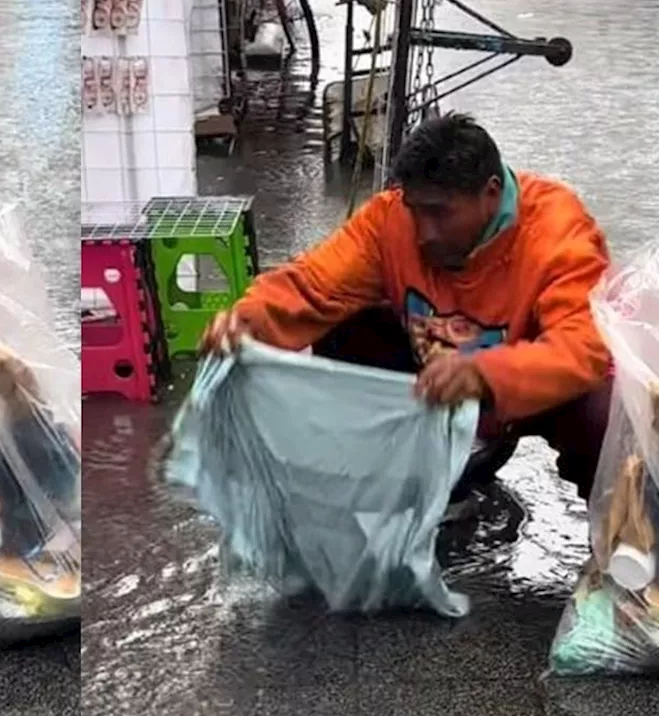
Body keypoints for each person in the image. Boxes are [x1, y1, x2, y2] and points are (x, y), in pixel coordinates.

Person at [202, 112, 612, 508]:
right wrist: (246, 321)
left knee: (608, 411)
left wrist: (486, 374)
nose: (424, 233)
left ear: (490, 193)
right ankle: (401, 466)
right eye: (416, 210)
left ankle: (615, 545)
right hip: (431, 392)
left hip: (520, 400)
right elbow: (312, 284)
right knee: (343, 321)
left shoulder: (558, 231)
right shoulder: (390, 219)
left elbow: (582, 348)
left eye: (441, 212)